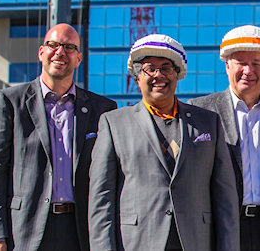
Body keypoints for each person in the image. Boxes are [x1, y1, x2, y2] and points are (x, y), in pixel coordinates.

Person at [88, 34, 239, 250]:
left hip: (195, 241)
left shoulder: (207, 122)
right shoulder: (114, 124)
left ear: (178, 75)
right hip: (137, 242)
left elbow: (225, 197)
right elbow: (101, 201)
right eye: (150, 68)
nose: (159, 75)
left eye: (166, 68)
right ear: (137, 77)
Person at [0, 23, 116, 251]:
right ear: (41, 52)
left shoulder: (103, 109)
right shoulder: (9, 103)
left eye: (69, 47)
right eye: (53, 45)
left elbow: (111, 177)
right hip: (24, 231)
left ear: (78, 58)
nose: (60, 52)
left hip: (83, 232)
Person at [188, 25, 260, 251]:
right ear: (227, 66)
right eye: (241, 63)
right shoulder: (200, 110)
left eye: (256, 63)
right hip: (221, 226)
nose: (248, 71)